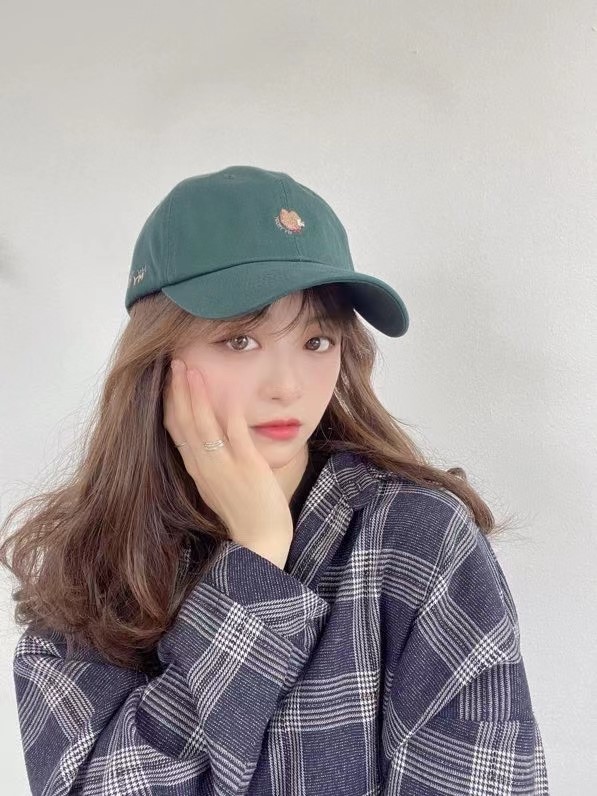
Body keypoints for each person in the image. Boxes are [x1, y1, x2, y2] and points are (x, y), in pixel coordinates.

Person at [1, 165, 550, 794]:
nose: (288, 387)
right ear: (158, 357)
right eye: (240, 340)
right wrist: (256, 561)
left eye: (316, 341)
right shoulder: (91, 567)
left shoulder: (420, 539)